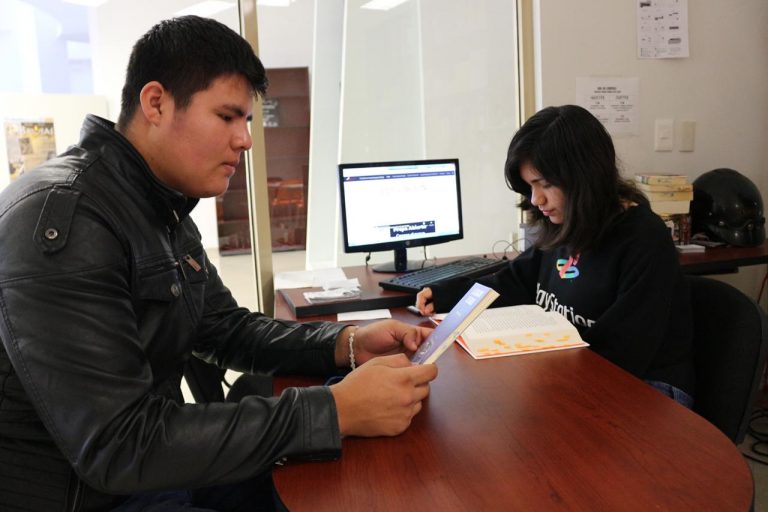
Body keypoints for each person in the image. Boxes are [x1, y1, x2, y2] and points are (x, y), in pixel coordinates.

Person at [0, 16, 437, 512]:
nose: (246, 140)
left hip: (152, 470)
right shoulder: (68, 219)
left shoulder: (158, 206)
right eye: (228, 117)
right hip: (96, 494)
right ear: (156, 103)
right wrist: (334, 410)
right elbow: (117, 445)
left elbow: (226, 329)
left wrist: (347, 342)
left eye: (247, 120)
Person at [416, 104, 694, 407]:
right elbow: (514, 281)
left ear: (585, 176)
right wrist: (448, 295)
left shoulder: (643, 239)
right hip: (579, 375)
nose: (537, 200)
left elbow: (622, 352)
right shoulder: (564, 224)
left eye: (545, 184)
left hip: (645, 389)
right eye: (531, 187)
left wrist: (542, 378)